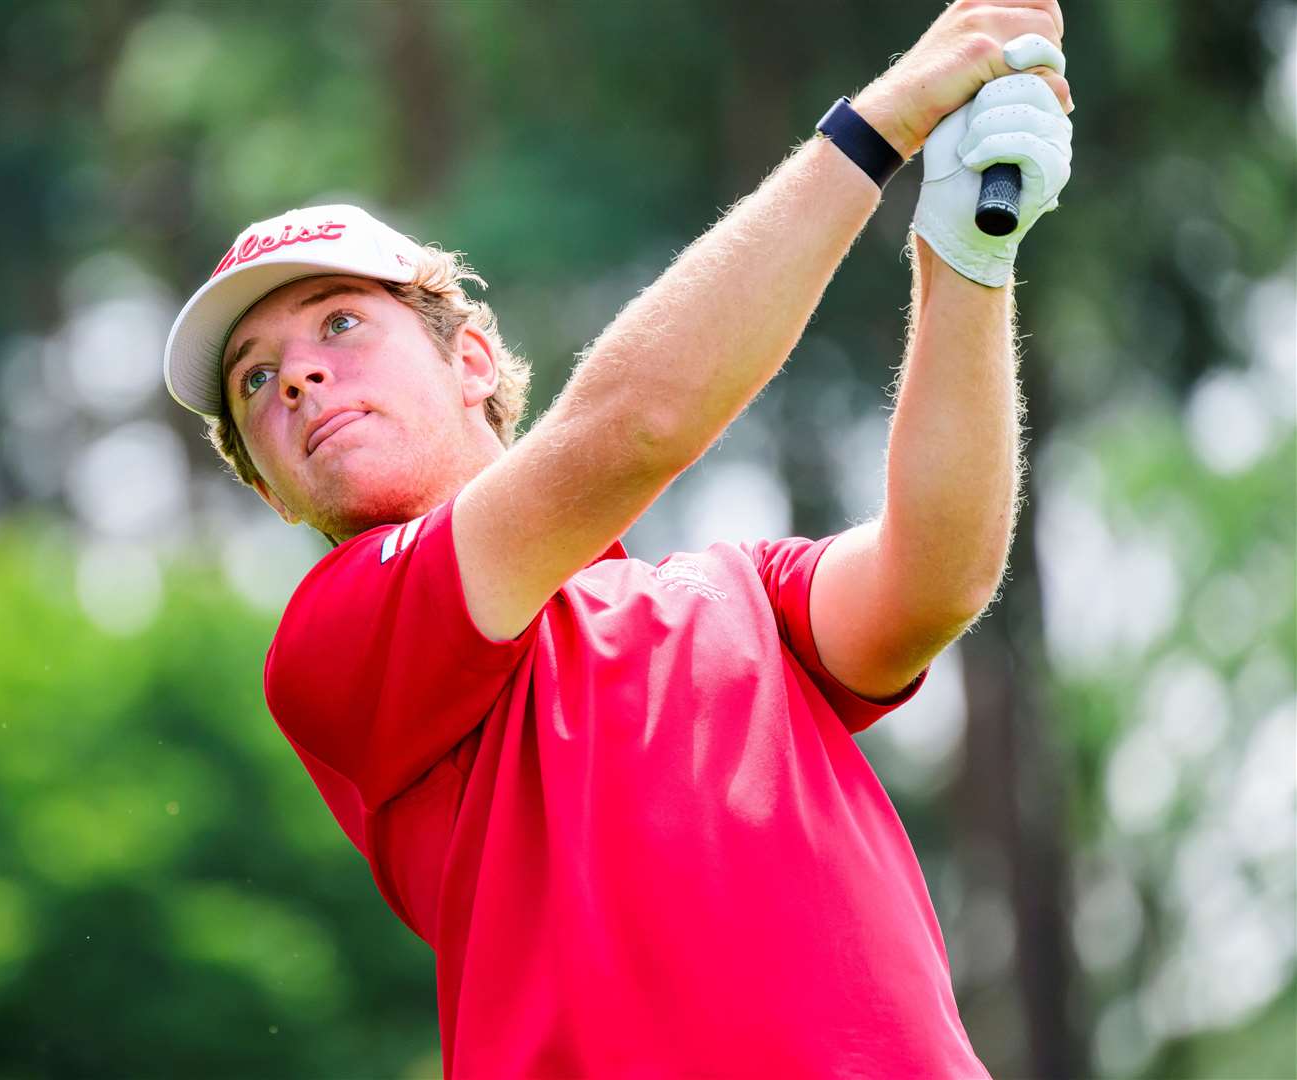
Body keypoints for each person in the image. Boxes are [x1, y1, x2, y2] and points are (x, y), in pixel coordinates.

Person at [162, 1, 1072, 1074]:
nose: (300, 375)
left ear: (470, 362)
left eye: (340, 322)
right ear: (271, 492)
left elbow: (934, 581)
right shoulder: (334, 642)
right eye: (255, 379)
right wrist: (878, 126)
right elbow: (630, 431)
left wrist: (966, 254)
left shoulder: (734, 590)